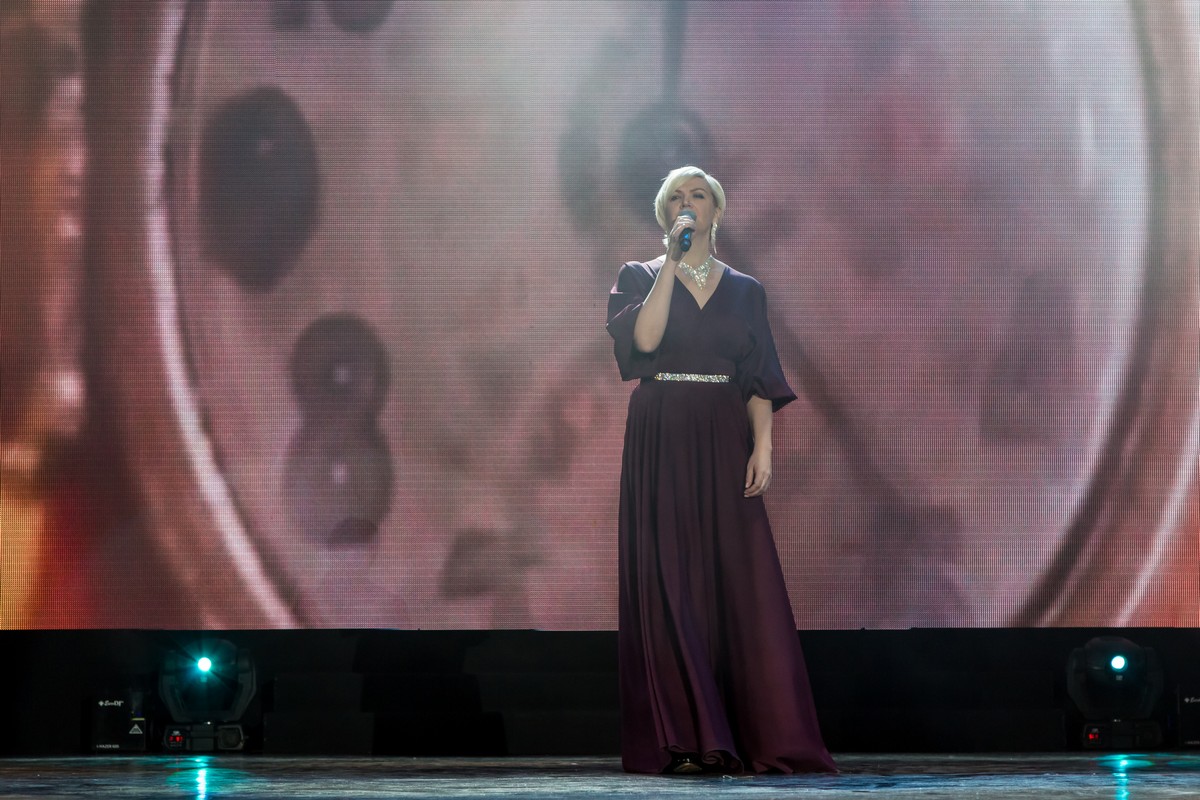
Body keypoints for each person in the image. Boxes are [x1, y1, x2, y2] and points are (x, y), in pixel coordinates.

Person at [606, 166, 837, 775]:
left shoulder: (747, 291)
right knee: (670, 579)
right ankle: (685, 737)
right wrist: (670, 265)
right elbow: (644, 342)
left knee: (737, 580)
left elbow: (758, 378)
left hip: (724, 433)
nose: (688, 203)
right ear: (665, 215)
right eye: (676, 198)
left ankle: (745, 731)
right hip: (662, 433)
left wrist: (763, 446)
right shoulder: (638, 276)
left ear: (717, 209)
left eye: (698, 195)